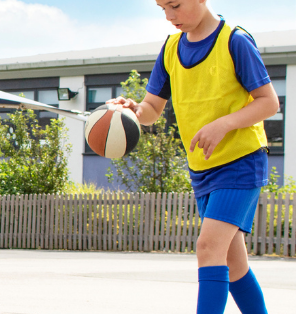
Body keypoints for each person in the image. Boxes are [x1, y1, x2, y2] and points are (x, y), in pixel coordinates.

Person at [108, 1, 279, 313]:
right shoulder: (172, 48)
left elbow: (269, 103)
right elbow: (152, 110)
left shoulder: (235, 41)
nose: (170, 16)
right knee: (232, 261)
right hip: (203, 168)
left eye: (175, 5)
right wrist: (133, 110)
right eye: (162, 8)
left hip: (241, 161)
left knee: (208, 247)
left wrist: (223, 124)